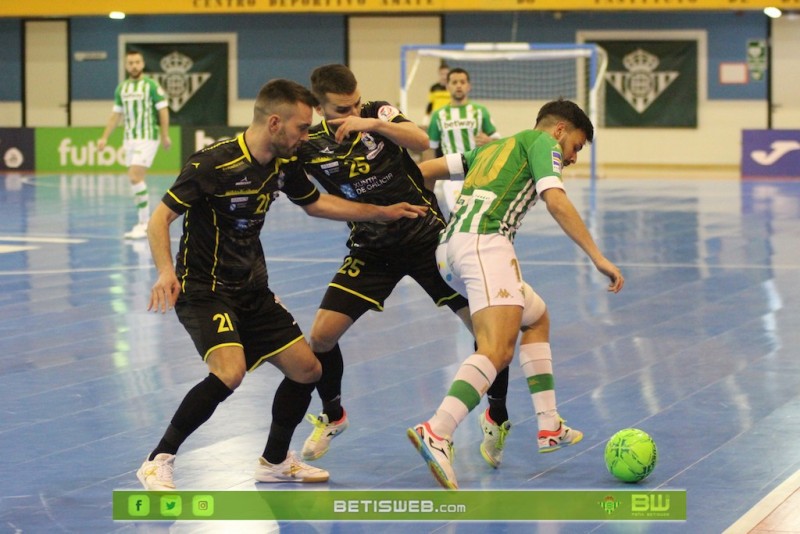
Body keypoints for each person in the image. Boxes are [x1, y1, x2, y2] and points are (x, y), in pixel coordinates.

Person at [136, 78, 427, 491]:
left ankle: (274, 461)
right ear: (275, 123)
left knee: (308, 369)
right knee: (230, 372)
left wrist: (380, 212)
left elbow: (316, 204)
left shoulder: (283, 164)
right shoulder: (212, 164)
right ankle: (158, 458)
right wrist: (166, 271)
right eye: (302, 128)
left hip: (253, 290)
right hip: (205, 290)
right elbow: (158, 219)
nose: (307, 137)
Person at [282, 64, 510, 470]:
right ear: (318, 108)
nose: (350, 112)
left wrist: (366, 120)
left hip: (427, 238)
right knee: (320, 337)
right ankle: (334, 416)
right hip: (371, 248)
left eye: (355, 103)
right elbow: (311, 200)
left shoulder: (378, 113)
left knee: (489, 335)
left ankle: (496, 414)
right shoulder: (308, 144)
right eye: (340, 109)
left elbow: (421, 140)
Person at [408, 99, 625, 490]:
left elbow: (425, 170)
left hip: (450, 251)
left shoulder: (490, 147)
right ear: (559, 130)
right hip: (485, 245)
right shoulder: (543, 144)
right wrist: (598, 256)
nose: (573, 157)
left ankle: (549, 425)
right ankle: (437, 431)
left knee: (537, 316)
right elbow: (555, 201)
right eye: (575, 146)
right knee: (496, 350)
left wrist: (427, 212)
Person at [98, 50, 172, 240]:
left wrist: (165, 135)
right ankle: (144, 221)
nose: (134, 66)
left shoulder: (151, 86)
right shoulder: (121, 89)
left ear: (143, 63)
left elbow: (163, 111)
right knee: (134, 180)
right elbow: (116, 115)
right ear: (126, 65)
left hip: (147, 137)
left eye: (137, 62)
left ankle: (144, 223)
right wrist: (104, 137)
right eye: (130, 62)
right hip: (129, 138)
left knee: (134, 176)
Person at [426, 67, 501, 219]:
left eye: (462, 82)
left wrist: (489, 141)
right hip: (452, 174)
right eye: (454, 82)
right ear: (447, 86)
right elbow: (430, 149)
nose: (458, 85)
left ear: (469, 86)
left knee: (481, 215)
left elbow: (499, 142)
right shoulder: (438, 116)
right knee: (460, 214)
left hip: (478, 171)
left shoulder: (480, 111)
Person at [422, 61, 451, 131]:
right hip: (437, 116)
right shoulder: (434, 88)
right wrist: (426, 119)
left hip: (449, 117)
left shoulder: (452, 87)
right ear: (439, 74)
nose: (444, 76)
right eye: (442, 74)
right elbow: (430, 103)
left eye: (446, 74)